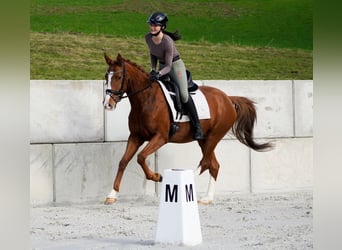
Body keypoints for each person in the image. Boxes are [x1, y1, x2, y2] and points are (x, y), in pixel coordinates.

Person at [145, 12, 204, 140]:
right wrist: (152, 70)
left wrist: (159, 73)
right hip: (161, 66)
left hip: (175, 66)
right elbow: (153, 53)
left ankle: (197, 126)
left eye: (155, 25)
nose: (152, 27)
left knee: (183, 95)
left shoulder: (167, 41)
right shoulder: (148, 38)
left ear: (162, 27)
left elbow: (169, 66)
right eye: (151, 25)